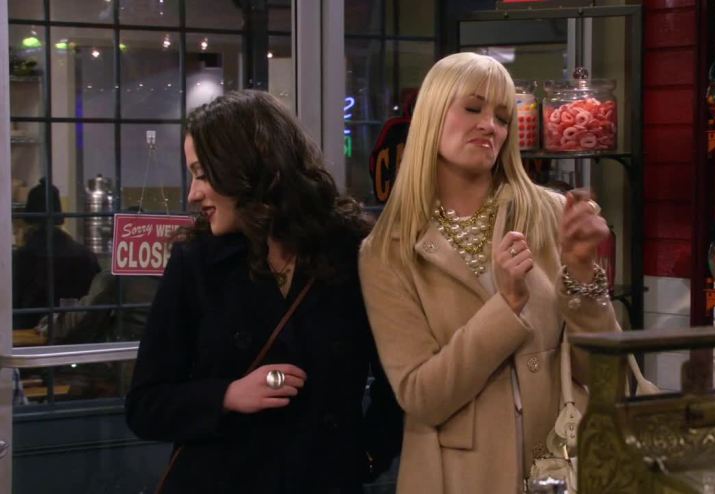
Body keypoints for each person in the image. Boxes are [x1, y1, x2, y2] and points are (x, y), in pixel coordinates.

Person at [359, 52, 620, 494]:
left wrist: (581, 275)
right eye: (473, 108)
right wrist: (507, 305)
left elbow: (604, 376)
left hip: (559, 470)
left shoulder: (551, 215)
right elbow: (422, 396)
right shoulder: (388, 250)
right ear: (432, 114)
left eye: (502, 117)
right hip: (456, 480)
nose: (490, 126)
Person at [125, 90, 402, 493]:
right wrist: (228, 395)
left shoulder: (353, 249)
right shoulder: (196, 261)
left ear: (244, 167)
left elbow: (395, 379)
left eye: (202, 174)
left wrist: (367, 457)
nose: (192, 194)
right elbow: (145, 405)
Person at [13, 178, 101, 329]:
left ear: (29, 221)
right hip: (75, 331)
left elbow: (13, 304)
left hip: (28, 330)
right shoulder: (85, 255)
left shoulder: (22, 257)